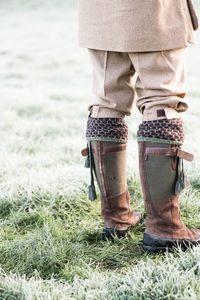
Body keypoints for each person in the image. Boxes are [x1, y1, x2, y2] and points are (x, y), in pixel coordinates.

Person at [79, 0, 200, 252]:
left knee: (106, 102)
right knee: (161, 100)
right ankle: (164, 227)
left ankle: (116, 218)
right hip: (152, 11)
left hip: (99, 13)